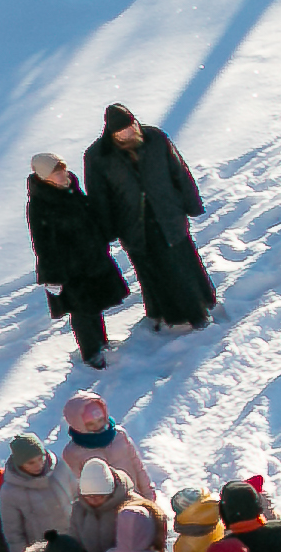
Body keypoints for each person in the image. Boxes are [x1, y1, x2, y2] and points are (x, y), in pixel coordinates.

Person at [82, 105, 215, 330]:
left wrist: (191, 203)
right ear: (110, 133)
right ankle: (163, 313)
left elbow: (178, 171)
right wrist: (107, 230)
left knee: (182, 264)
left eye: (130, 128)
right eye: (121, 133)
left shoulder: (155, 137)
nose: (128, 135)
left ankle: (198, 311)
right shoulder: (97, 156)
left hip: (168, 212)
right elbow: (99, 197)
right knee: (153, 270)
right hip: (133, 222)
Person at [24, 154, 131, 367]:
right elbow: (42, 242)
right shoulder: (39, 203)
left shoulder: (71, 187)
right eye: (56, 172)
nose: (62, 174)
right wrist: (53, 273)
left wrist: (100, 238)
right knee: (82, 311)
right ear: (45, 176)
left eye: (62, 168)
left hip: (90, 257)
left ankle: (102, 342)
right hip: (68, 266)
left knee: (95, 305)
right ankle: (91, 353)